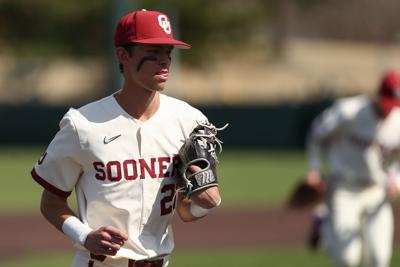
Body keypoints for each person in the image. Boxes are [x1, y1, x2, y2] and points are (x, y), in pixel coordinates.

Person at [30, 9, 222, 267]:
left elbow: (185, 211)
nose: (164, 61)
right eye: (152, 53)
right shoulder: (83, 124)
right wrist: (85, 235)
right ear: (123, 55)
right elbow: (51, 202)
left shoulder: (189, 121)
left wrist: (207, 203)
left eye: (168, 52)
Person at [303, 70, 400, 267]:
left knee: (379, 260)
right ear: (378, 95)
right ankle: (324, 224)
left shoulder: (398, 120)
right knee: (347, 259)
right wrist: (314, 169)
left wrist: (396, 180)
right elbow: (317, 134)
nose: (388, 111)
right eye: (387, 104)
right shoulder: (349, 111)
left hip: (377, 191)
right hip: (344, 188)